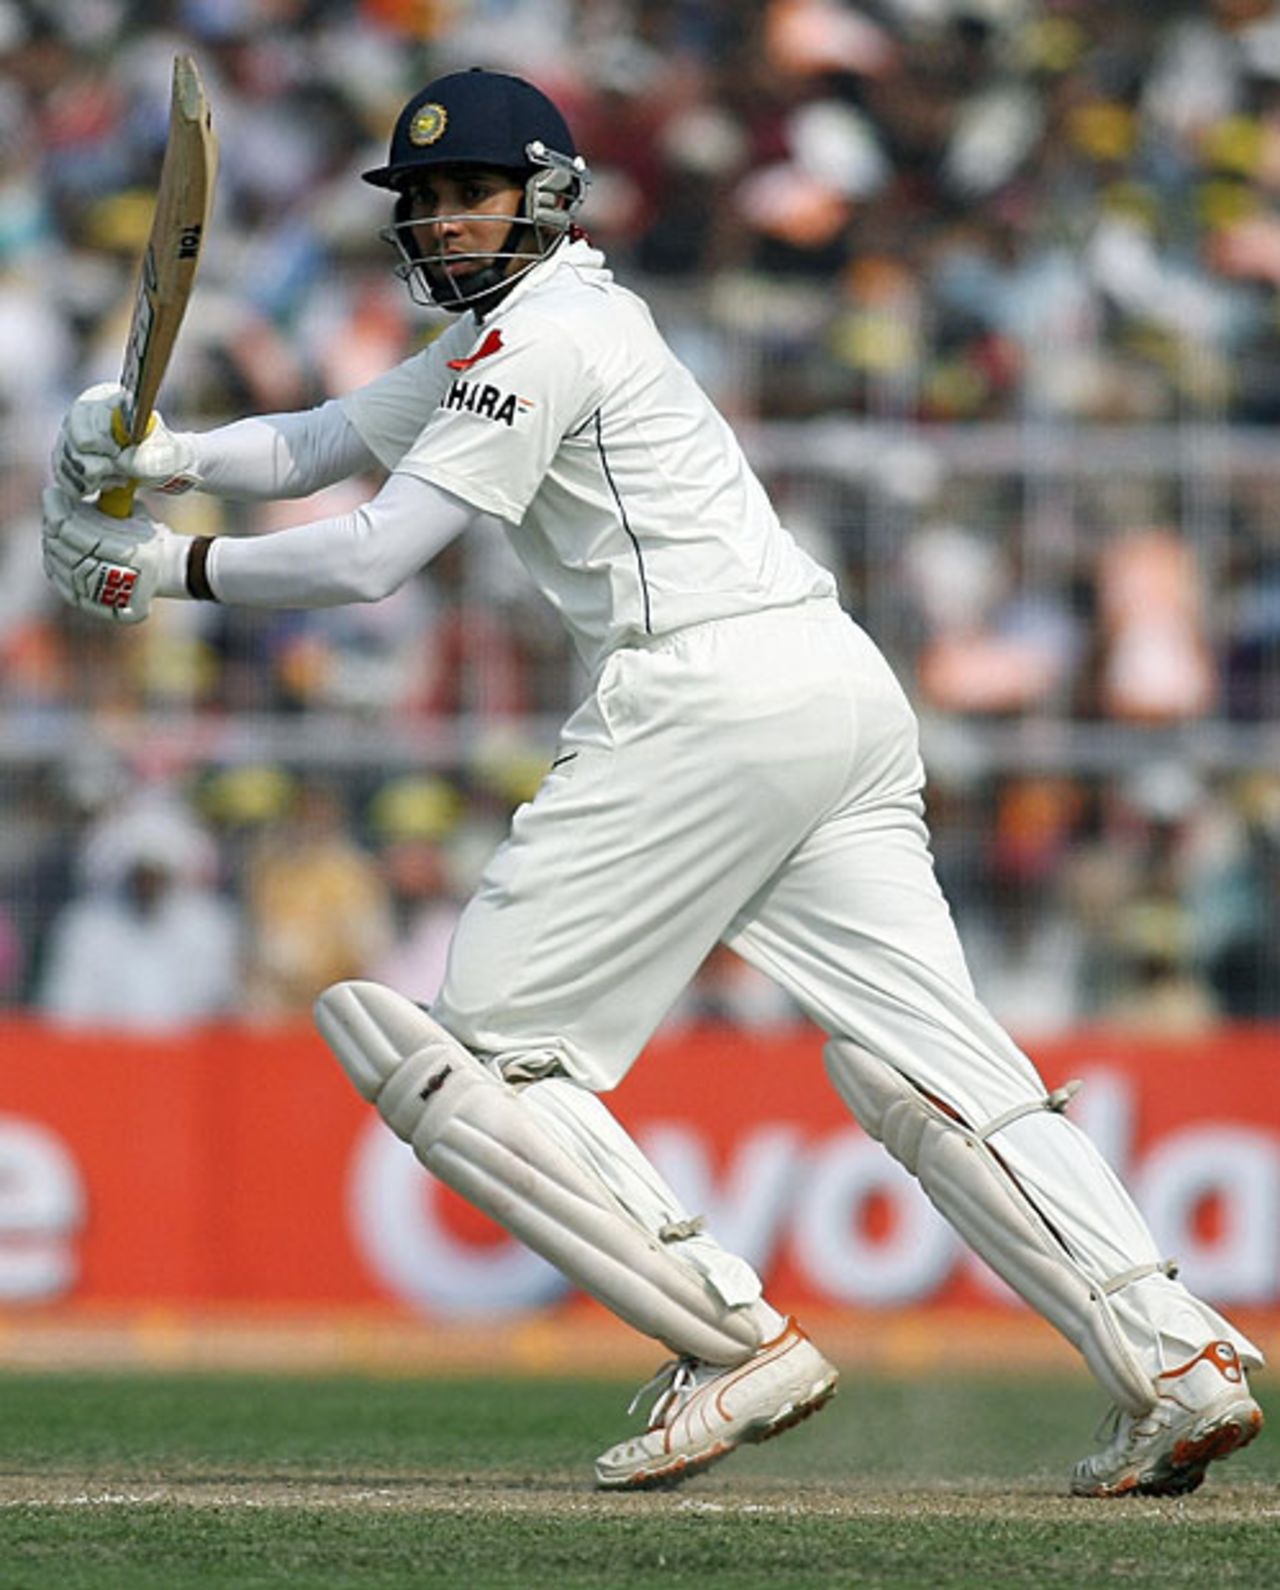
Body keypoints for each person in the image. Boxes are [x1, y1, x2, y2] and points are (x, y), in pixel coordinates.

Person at [42, 67, 1263, 1496]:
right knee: (928, 1066)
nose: (441, 223)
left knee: (482, 1047)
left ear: (546, 196)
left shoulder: (537, 344)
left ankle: (731, 1338)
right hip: (834, 691)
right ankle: (1174, 1357)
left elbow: (372, 555)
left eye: (468, 194)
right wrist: (163, 451)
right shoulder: (527, 332)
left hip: (703, 692)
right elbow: (317, 441)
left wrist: (159, 567)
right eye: (423, 202)